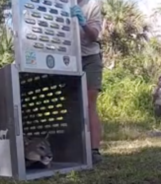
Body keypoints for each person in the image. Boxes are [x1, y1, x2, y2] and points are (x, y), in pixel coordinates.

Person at [71, 0, 103, 164]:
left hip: (89, 57)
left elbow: (94, 35)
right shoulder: (64, 3)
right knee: (72, 105)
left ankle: (94, 150)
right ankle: (73, 149)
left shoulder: (93, 5)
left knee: (90, 104)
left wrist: (82, 22)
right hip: (69, 57)